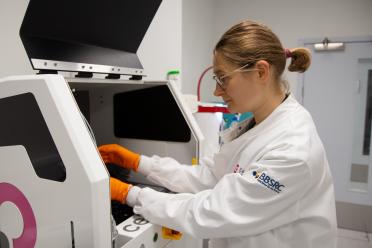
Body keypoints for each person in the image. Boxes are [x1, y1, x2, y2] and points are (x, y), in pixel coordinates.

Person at [99, 20, 337, 248]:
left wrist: (130, 194)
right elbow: (211, 176)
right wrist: (140, 163)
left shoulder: (293, 150)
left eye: (223, 78)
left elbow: (213, 212)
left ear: (261, 72)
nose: (216, 90)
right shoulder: (256, 124)